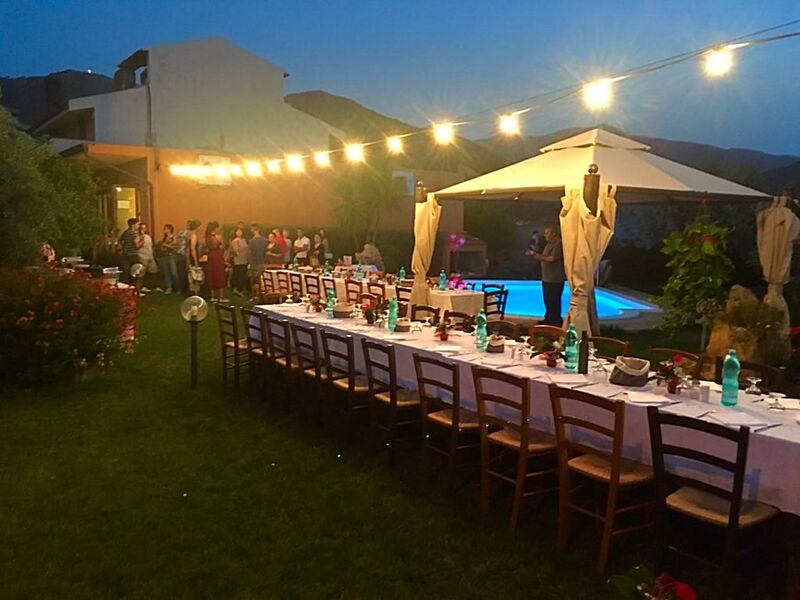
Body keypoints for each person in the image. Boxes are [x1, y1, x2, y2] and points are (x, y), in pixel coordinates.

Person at [527, 225, 565, 326]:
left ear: (554, 234)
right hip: (547, 278)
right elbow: (545, 256)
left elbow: (552, 258)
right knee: (548, 300)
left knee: (554, 301)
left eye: (547, 233)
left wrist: (537, 256)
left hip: (555, 279)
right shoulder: (548, 244)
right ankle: (548, 319)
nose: (545, 235)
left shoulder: (558, 245)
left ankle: (555, 322)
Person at [204, 221, 227, 302]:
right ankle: (221, 297)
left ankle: (213, 296)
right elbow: (221, 246)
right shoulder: (215, 237)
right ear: (215, 228)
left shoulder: (207, 237)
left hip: (211, 256)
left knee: (212, 275)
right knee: (219, 274)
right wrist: (220, 240)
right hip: (217, 256)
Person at [228, 226, 250, 297]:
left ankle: (243, 288)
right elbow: (234, 251)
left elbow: (247, 249)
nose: (239, 233)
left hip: (245, 260)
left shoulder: (244, 240)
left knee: (243, 274)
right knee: (238, 274)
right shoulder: (235, 241)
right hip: (238, 261)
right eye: (237, 231)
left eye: (240, 231)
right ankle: (237, 289)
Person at [157, 224, 180, 294]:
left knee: (173, 272)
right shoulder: (164, 238)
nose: (164, 230)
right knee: (166, 272)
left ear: (170, 229)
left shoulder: (173, 237)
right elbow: (161, 246)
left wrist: (165, 245)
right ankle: (169, 287)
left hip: (171, 256)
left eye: (166, 229)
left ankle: (178, 287)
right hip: (164, 256)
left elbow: (175, 246)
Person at [137, 222, 158, 292]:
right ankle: (142, 287)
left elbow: (151, 246)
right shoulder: (137, 237)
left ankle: (153, 286)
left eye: (145, 228)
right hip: (142, 256)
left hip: (150, 256)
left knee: (154, 271)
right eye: (142, 228)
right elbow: (138, 246)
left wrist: (154, 255)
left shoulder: (148, 237)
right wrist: (142, 238)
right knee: (142, 273)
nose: (143, 229)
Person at [248, 224, 267, 300]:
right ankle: (261, 295)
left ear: (253, 230)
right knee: (262, 280)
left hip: (254, 262)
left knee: (254, 280)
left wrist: (249, 262)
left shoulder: (251, 241)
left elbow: (250, 253)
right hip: (263, 262)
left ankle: (254, 295)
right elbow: (265, 252)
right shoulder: (264, 240)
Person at [119, 217, 141, 283]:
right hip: (133, 254)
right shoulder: (133, 233)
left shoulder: (126, 232)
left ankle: (127, 284)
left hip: (125, 254)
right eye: (137, 224)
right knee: (136, 271)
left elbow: (120, 240)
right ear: (133, 225)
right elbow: (136, 245)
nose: (138, 226)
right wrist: (141, 240)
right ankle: (135, 285)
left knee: (126, 272)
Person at [187, 220, 204, 295]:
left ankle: (194, 291)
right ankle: (195, 292)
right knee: (195, 275)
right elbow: (192, 248)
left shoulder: (191, 234)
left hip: (192, 257)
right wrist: (195, 260)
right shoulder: (194, 235)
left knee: (193, 274)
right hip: (193, 257)